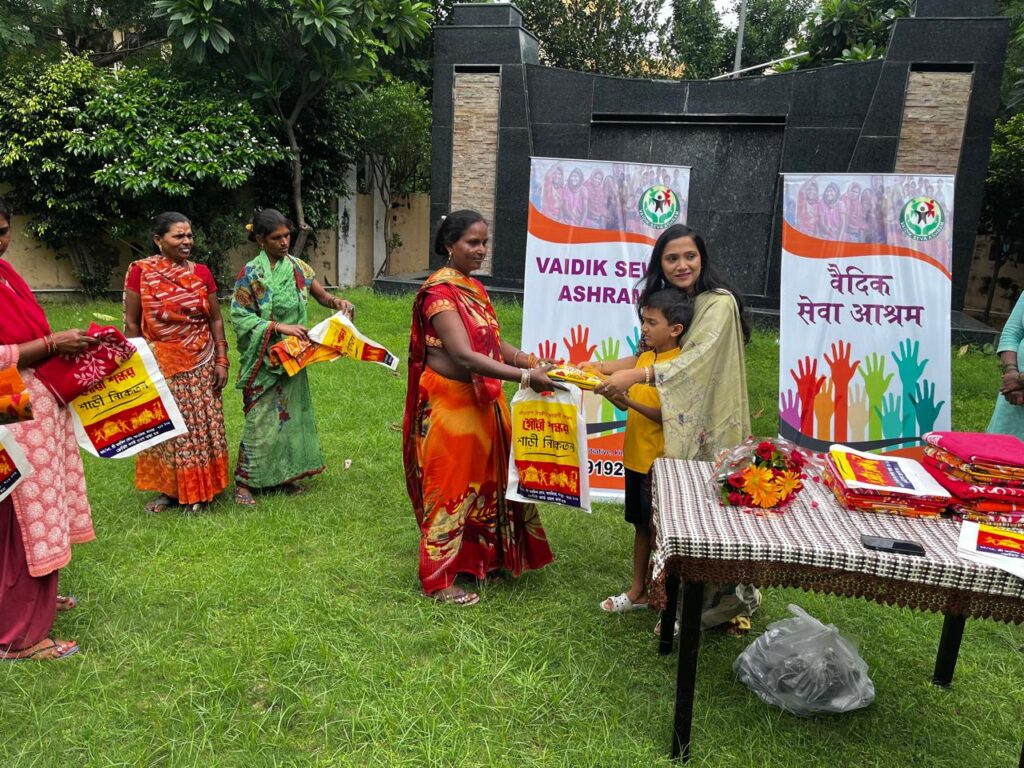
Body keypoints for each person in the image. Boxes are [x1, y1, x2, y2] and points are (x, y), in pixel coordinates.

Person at [594, 224, 758, 635]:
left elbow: (693, 363)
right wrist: (600, 369)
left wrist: (636, 379)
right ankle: (657, 593)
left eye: (690, 256)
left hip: (709, 427)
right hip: (665, 438)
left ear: (702, 259)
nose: (682, 265)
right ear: (660, 264)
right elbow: (643, 356)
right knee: (657, 521)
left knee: (703, 519)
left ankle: (718, 602)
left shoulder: (718, 303)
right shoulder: (673, 304)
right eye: (672, 258)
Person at [403, 210, 556, 606]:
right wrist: (526, 378)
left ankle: (482, 559)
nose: (481, 250)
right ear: (449, 245)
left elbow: (492, 344)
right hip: (449, 404)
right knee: (450, 488)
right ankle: (439, 581)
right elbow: (463, 355)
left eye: (485, 242)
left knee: (490, 482)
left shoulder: (473, 287)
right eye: (473, 242)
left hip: (483, 400)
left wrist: (528, 360)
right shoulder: (439, 293)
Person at [0, 197, 98, 660]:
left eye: (2, 230)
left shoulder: (6, 272)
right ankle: (19, 634)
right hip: (8, 395)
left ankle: (32, 597)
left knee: (36, 496)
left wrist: (57, 345)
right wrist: (52, 343)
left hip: (22, 393)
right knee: (20, 506)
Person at [230, 208, 354, 506]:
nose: (285, 242)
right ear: (261, 240)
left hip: (294, 356)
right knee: (260, 419)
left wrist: (338, 302)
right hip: (264, 359)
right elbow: (239, 316)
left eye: (287, 235)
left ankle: (285, 475)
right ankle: (245, 482)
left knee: (289, 417)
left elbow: (322, 296)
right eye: (277, 238)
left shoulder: (299, 268)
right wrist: (278, 327)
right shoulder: (251, 274)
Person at [123, 212, 230, 514]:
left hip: (202, 359)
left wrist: (222, 359)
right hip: (162, 362)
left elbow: (216, 319)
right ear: (158, 240)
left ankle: (203, 490)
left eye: (189, 236)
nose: (187, 241)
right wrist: (138, 363)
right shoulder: (141, 272)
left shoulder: (201, 272)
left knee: (202, 427)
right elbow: (132, 323)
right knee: (169, 427)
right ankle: (171, 491)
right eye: (178, 236)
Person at [595, 289, 693, 613]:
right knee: (640, 526)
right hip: (636, 459)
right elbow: (628, 400)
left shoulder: (677, 365)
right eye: (643, 321)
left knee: (663, 532)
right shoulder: (646, 358)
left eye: (652, 322)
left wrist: (628, 400)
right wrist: (605, 386)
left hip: (660, 465)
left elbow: (668, 417)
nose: (645, 328)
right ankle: (638, 589)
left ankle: (667, 597)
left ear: (675, 329)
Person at [987, 293, 1024, 439]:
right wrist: (1011, 371)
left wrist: (1019, 380)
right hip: (1014, 395)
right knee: (1000, 449)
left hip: (1016, 385)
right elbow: (1011, 333)